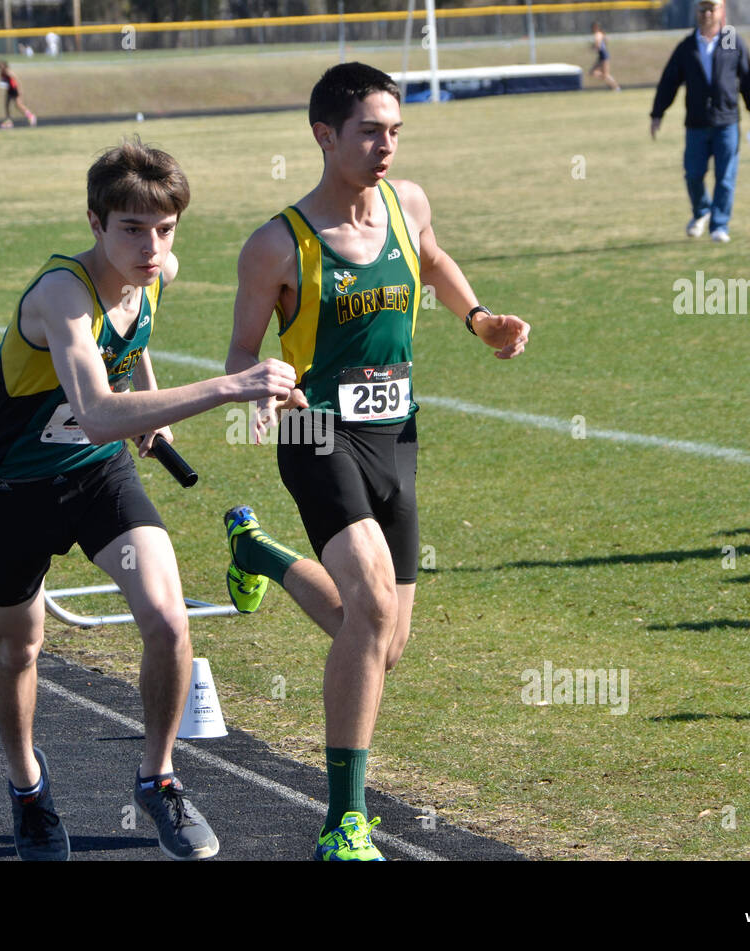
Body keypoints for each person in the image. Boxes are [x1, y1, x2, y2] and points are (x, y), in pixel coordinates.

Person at [223, 62, 530, 861]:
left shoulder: (406, 201)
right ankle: (344, 821)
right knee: (371, 611)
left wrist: (479, 318)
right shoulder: (275, 245)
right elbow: (241, 356)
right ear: (325, 135)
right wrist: (267, 397)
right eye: (370, 131)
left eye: (395, 130)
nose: (385, 144)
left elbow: (428, 256)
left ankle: (255, 550)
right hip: (315, 431)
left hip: (397, 431)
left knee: (384, 641)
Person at [0, 138, 299, 861]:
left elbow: (129, 356)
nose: (151, 248)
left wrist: (145, 403)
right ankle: (27, 788)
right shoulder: (61, 294)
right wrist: (228, 386)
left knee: (168, 620)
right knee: (18, 645)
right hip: (13, 491)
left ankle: (158, 776)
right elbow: (91, 407)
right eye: (131, 230)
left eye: (165, 230)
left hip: (97, 476)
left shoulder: (156, 272)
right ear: (94, 222)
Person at [649, 0, 750, 243]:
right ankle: (702, 211)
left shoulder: (732, 41)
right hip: (696, 123)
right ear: (697, 12)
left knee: (725, 177)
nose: (707, 14)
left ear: (721, 11)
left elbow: (748, 81)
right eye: (703, 10)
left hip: (726, 121)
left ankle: (719, 225)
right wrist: (657, 113)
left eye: (712, 9)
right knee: (693, 174)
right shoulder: (687, 46)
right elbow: (669, 81)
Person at [0, 60, 37, 129]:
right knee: (7, 105)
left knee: (19, 105)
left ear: (5, 66)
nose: (0, 67)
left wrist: (20, 90)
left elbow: (16, 79)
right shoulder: (1, 72)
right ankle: (9, 122)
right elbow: (3, 81)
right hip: (9, 90)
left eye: (1, 66)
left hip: (15, 89)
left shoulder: (8, 71)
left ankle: (31, 116)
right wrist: (2, 82)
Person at [589, 21, 620, 91]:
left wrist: (594, 47)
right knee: (594, 73)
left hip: (603, 56)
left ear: (596, 27)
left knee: (605, 75)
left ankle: (616, 87)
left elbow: (598, 44)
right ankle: (614, 87)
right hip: (601, 56)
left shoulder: (598, 34)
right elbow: (606, 41)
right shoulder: (601, 34)